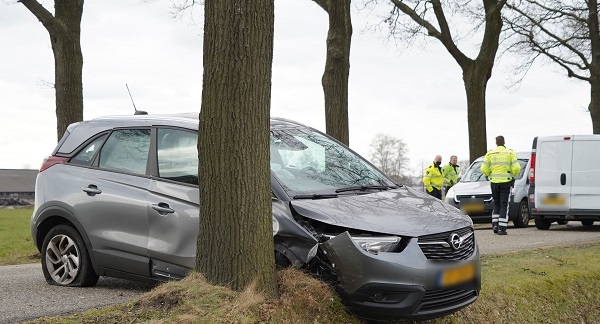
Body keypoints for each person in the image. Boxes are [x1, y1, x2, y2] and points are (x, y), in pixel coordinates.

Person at [480, 136, 521, 235]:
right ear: (504, 142)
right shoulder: (510, 153)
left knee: (496, 203)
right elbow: (516, 168)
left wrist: (490, 174)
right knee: (504, 205)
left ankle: (495, 225)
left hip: (494, 182)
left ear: (496, 143)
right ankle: (502, 228)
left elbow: (483, 169)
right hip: (506, 182)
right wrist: (510, 174)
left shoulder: (490, 153)